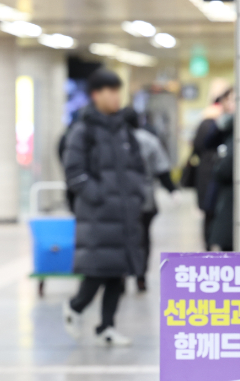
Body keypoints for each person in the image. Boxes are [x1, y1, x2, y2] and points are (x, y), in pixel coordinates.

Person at [61, 69, 146, 346]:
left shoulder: (124, 130)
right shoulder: (82, 131)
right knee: (97, 271)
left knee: (118, 274)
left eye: (118, 91)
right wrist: (99, 195)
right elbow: (73, 172)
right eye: (110, 91)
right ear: (96, 95)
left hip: (124, 214)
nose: (116, 97)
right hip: (98, 215)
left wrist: (135, 196)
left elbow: (138, 166)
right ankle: (75, 306)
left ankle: (107, 326)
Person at [122, 107, 177, 291]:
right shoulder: (149, 140)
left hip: (119, 197)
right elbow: (162, 169)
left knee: (121, 237)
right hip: (144, 196)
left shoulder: (114, 140)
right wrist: (171, 189)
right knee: (143, 238)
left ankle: (120, 276)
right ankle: (141, 276)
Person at [189, 82, 231, 249]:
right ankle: (209, 245)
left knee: (210, 212)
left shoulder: (210, 122)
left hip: (209, 174)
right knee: (210, 211)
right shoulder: (215, 123)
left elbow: (197, 147)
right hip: (210, 175)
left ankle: (209, 245)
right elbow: (200, 146)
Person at [204, 89, 236, 252]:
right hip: (219, 194)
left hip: (230, 197)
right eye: (228, 100)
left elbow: (225, 168)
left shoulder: (238, 130)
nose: (231, 104)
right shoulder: (222, 126)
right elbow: (206, 143)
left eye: (234, 100)